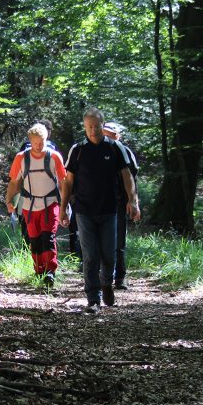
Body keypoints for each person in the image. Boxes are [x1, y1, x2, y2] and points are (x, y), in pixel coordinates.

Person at [59, 108, 140, 311]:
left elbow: (127, 175)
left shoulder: (114, 148)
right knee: (90, 255)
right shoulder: (77, 150)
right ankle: (93, 298)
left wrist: (133, 201)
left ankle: (106, 284)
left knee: (109, 255)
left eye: (96, 126)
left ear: (103, 126)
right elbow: (68, 181)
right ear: (85, 127)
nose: (93, 131)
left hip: (110, 210)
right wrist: (62, 208)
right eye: (89, 127)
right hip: (84, 210)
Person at [6, 123, 67, 287]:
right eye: (35, 142)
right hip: (29, 206)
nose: (38, 146)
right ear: (30, 141)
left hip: (50, 204)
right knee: (35, 239)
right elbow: (14, 182)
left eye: (41, 142)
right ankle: (39, 271)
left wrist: (65, 206)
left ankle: (50, 272)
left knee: (48, 237)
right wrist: (9, 201)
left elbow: (63, 183)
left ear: (46, 139)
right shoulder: (21, 158)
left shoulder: (54, 157)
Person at [102, 122, 139, 290]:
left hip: (118, 203)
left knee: (118, 242)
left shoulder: (124, 152)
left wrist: (133, 201)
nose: (106, 136)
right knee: (100, 242)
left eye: (110, 133)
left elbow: (131, 179)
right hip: (99, 203)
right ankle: (103, 277)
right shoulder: (95, 150)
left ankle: (120, 277)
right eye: (104, 133)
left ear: (118, 136)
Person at [13, 120, 58, 245]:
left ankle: (28, 251)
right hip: (40, 195)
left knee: (24, 224)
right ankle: (35, 254)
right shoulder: (53, 147)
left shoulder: (25, 146)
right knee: (39, 228)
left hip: (24, 194)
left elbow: (17, 176)